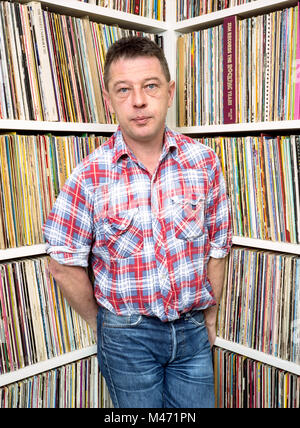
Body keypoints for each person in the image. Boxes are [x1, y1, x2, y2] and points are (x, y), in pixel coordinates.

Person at [43, 36, 232, 408]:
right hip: (126, 337)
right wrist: (108, 326)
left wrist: (209, 317)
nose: (139, 101)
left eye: (150, 86)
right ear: (108, 98)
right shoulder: (88, 176)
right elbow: (62, 265)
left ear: (169, 90)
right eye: (123, 89)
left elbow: (218, 246)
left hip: (192, 331)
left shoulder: (204, 162)